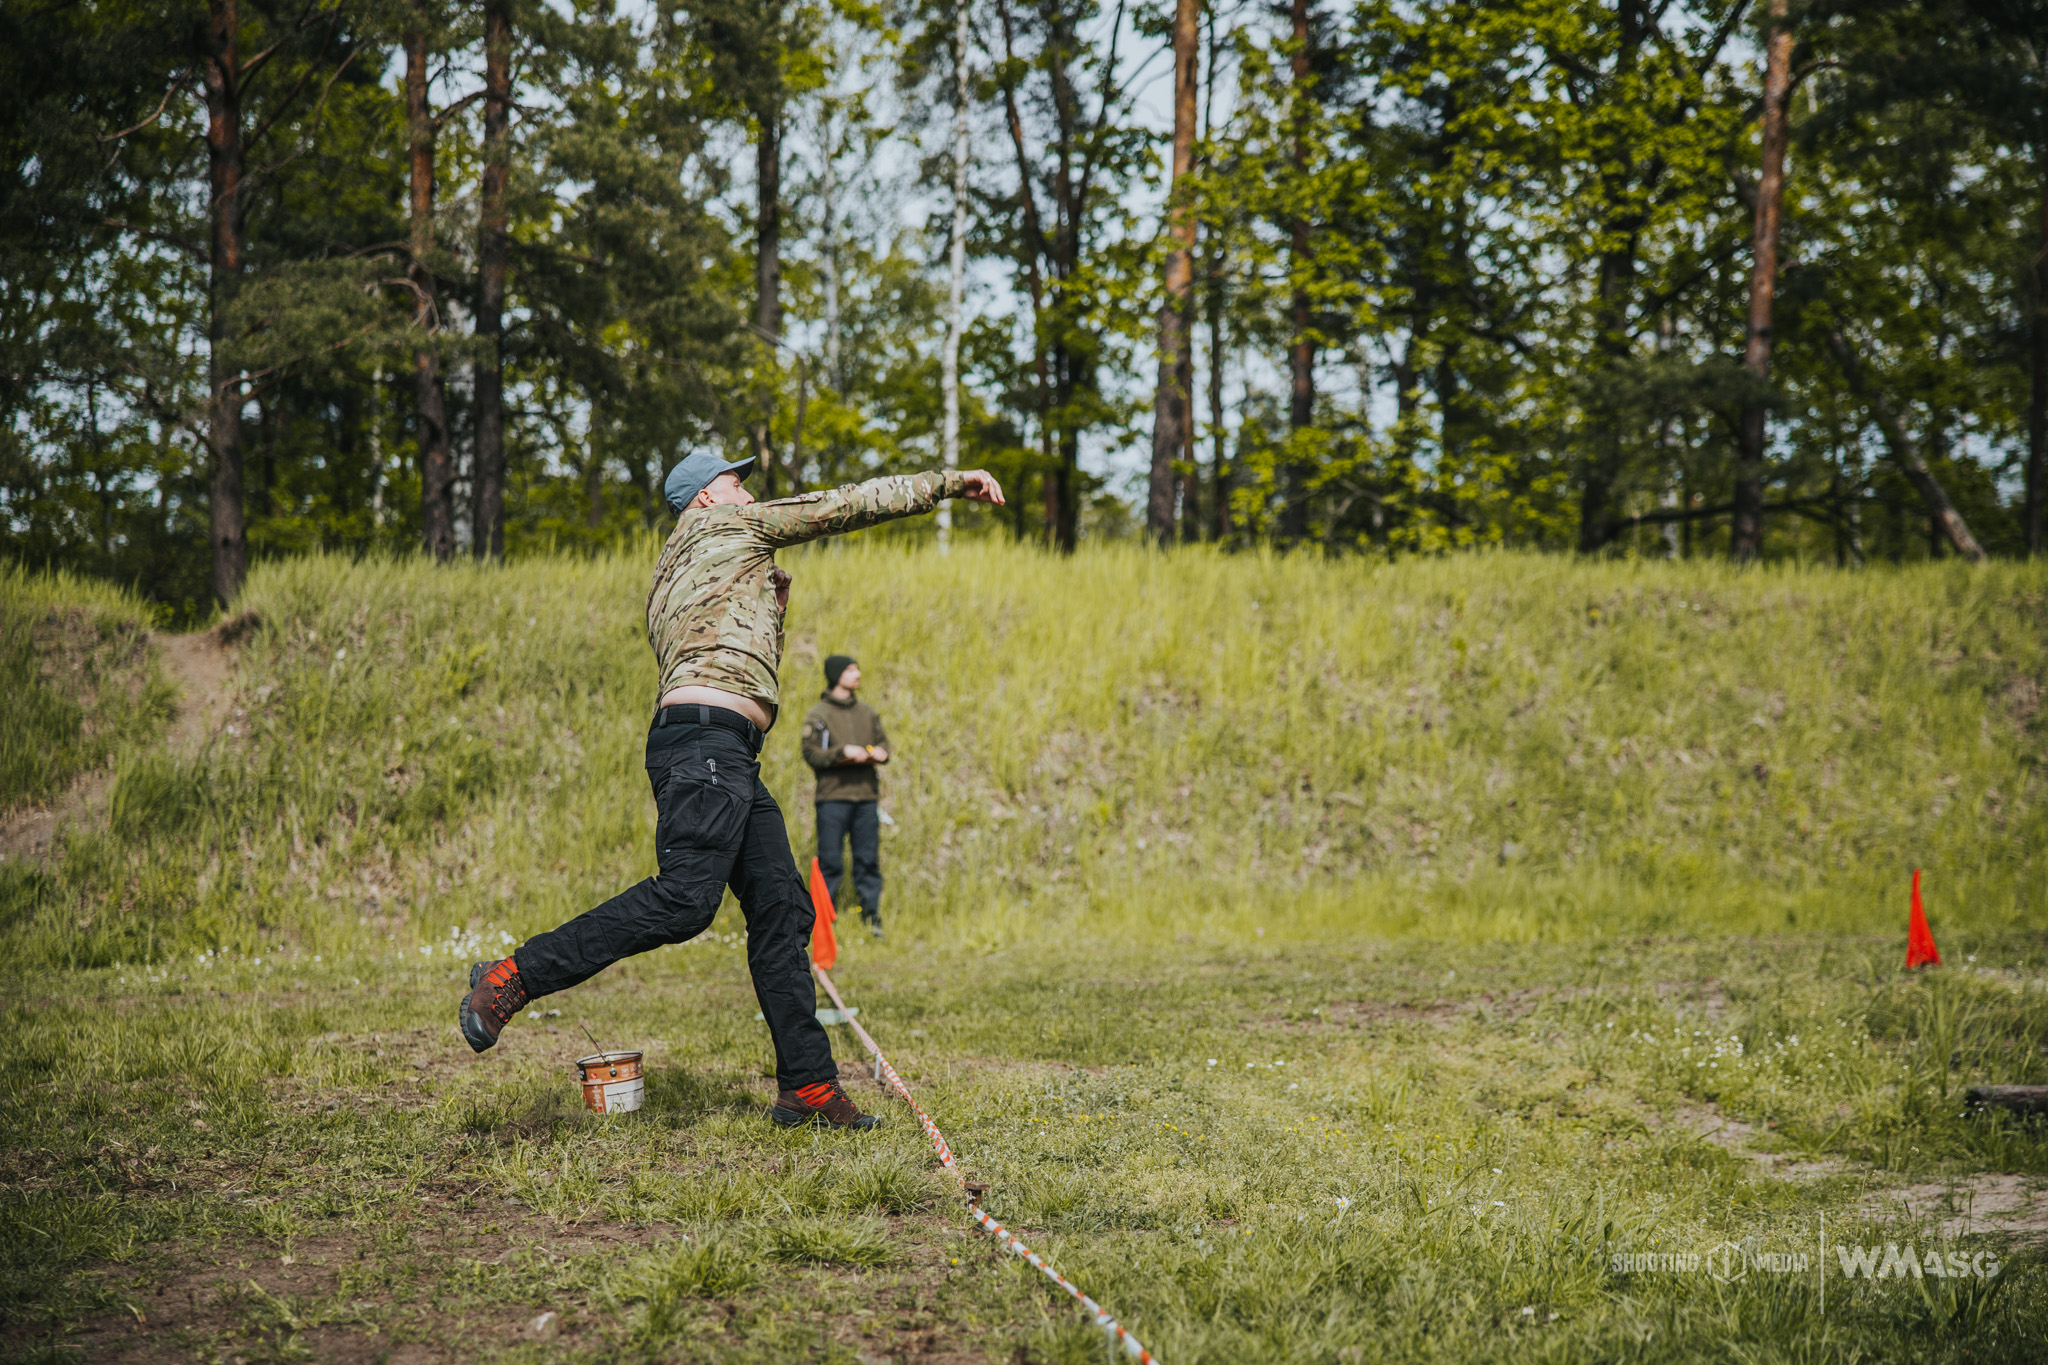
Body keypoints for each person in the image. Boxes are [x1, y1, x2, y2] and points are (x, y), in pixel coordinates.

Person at [457, 453, 1005, 1130]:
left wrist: (773, 608)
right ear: (708, 499)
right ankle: (513, 976)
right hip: (708, 745)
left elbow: (730, 650)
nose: (749, 491)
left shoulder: (670, 572)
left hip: (720, 748)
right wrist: (953, 482)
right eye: (737, 482)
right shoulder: (733, 527)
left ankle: (807, 1084)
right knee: (687, 899)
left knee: (780, 906)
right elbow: (846, 502)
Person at [803, 655, 888, 938]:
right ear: (837, 675)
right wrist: (843, 753)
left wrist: (881, 753)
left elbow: (883, 742)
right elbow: (811, 754)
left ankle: (872, 919)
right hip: (833, 798)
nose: (858, 674)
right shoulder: (819, 714)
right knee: (831, 862)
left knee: (867, 860)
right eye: (851, 670)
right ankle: (825, 922)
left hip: (866, 798)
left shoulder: (867, 712)